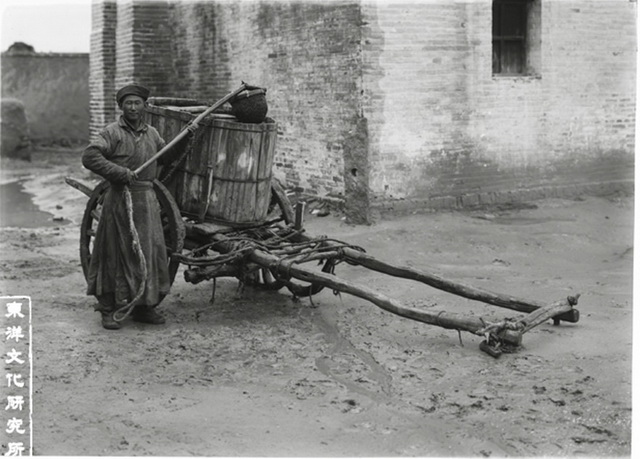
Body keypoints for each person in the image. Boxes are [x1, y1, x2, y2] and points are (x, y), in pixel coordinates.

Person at [82, 84, 171, 330]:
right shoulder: (112, 132)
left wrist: (188, 138)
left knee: (148, 251)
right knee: (113, 252)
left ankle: (144, 307)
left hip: (146, 202)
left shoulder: (152, 133)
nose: (133, 107)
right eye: (128, 103)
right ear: (121, 106)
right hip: (118, 200)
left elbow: (165, 158)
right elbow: (89, 156)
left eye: (137, 103)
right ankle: (108, 309)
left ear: (145, 106)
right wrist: (119, 172)